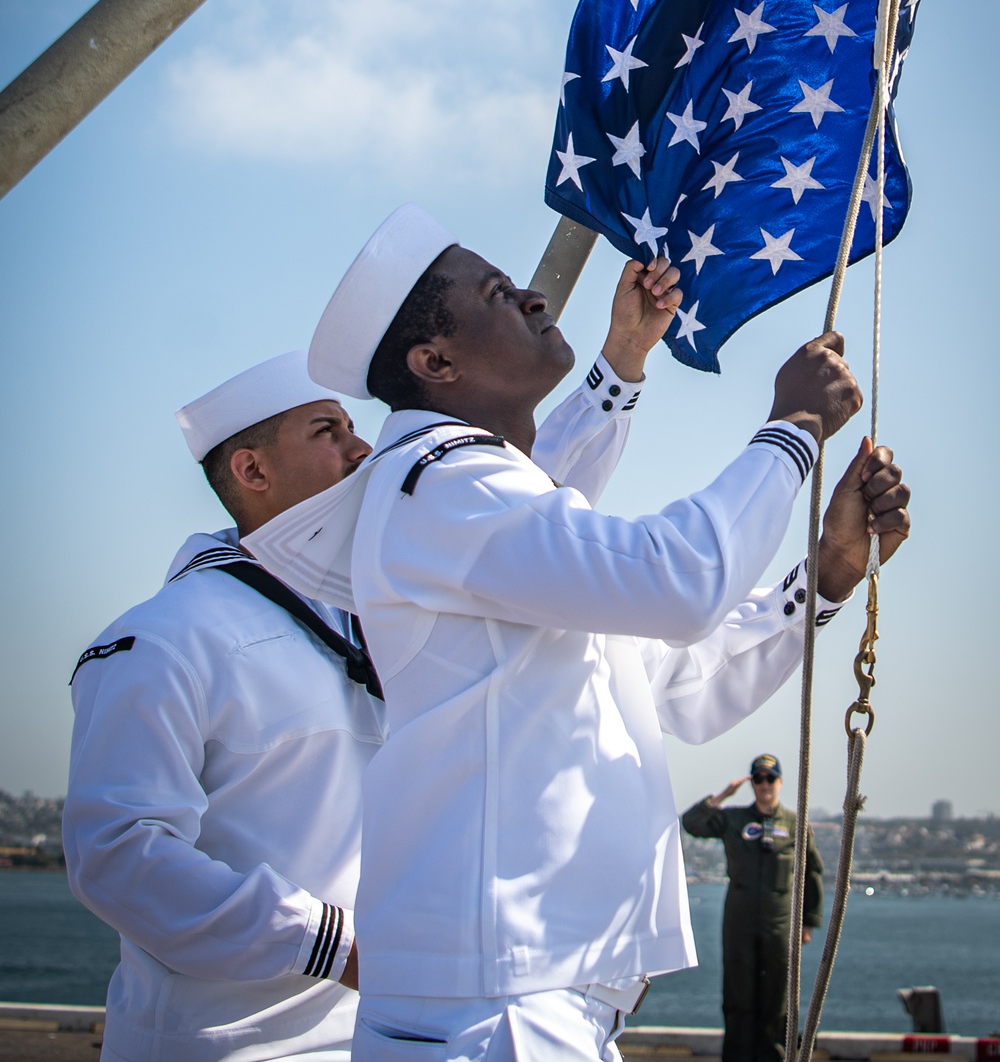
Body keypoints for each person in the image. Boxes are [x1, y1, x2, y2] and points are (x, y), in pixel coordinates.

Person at [242, 204, 911, 1062]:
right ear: (434, 362)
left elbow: (682, 686)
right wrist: (792, 432)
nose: (531, 298)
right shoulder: (438, 481)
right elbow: (675, 580)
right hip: (500, 1012)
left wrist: (821, 582)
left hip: (527, 1000)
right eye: (497, 293)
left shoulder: (467, 497)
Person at [63, 318, 653, 1062]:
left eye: (352, 426)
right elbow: (118, 854)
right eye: (328, 431)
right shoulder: (161, 640)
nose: (362, 448)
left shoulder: (375, 599)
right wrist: (333, 943)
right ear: (252, 472)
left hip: (388, 1036)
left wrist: (619, 369)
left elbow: (521, 514)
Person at [683, 754, 823, 1062]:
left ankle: (776, 1057)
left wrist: (808, 922)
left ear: (780, 782)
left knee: (778, 996)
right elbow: (691, 823)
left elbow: (811, 872)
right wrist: (722, 796)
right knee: (738, 994)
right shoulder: (733, 819)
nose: (764, 785)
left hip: (780, 919)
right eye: (758, 779)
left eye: (770, 778)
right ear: (752, 783)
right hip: (740, 918)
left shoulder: (795, 823)